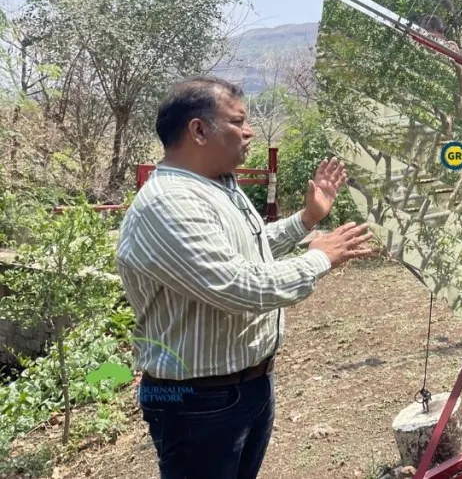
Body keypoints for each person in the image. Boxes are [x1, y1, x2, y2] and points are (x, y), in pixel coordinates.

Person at [115, 77, 375, 479]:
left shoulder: (218, 188)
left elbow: (248, 250)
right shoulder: (169, 204)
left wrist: (306, 220)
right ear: (198, 130)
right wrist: (318, 259)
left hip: (245, 386)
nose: (250, 131)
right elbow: (238, 286)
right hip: (199, 402)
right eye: (238, 122)